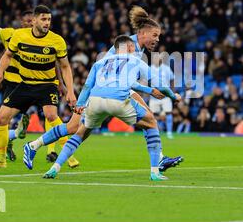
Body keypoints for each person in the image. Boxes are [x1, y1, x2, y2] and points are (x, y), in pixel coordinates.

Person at [23, 35, 181, 180]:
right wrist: (173, 96)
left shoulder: (100, 62)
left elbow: (87, 86)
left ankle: (54, 168)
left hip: (95, 99)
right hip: (119, 99)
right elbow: (160, 84)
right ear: (131, 48)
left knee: (80, 132)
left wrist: (80, 104)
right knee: (151, 122)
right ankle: (155, 172)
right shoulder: (135, 61)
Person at [0, 5, 79, 169]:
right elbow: (7, 55)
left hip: (46, 86)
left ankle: (68, 154)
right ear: (34, 21)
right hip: (24, 84)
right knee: (1, 118)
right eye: (43, 19)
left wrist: (70, 90)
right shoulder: (19, 35)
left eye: (49, 19)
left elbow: (64, 66)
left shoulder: (57, 40)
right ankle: (0, 160)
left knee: (51, 115)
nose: (47, 22)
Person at [105, 6, 184, 170]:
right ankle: (37, 146)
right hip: (108, 89)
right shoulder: (130, 47)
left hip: (117, 88)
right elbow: (129, 81)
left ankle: (160, 159)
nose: (157, 40)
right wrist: (154, 91)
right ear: (143, 33)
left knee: (149, 118)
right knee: (75, 129)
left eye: (159, 36)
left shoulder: (136, 46)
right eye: (155, 35)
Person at [149, 55, 175, 138]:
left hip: (165, 95)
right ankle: (154, 132)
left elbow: (172, 79)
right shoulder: (150, 68)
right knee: (151, 115)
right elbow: (146, 80)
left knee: (168, 112)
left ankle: (169, 132)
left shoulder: (167, 69)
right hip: (154, 95)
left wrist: (172, 92)